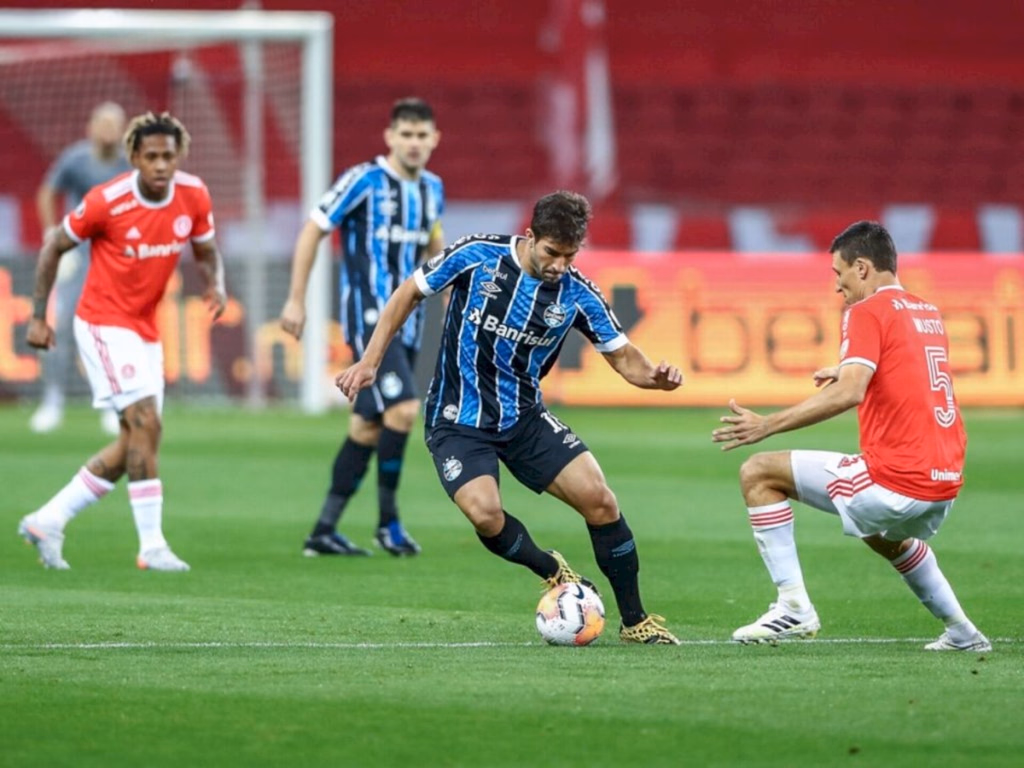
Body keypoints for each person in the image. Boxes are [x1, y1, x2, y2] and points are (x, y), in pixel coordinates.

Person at [338, 190, 683, 644]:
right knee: (484, 515)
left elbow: (625, 359)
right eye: (552, 252)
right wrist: (370, 361)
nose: (560, 264)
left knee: (601, 500)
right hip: (457, 419)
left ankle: (635, 621)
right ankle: (550, 568)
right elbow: (409, 293)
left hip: (525, 419)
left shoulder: (578, 294)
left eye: (570, 254)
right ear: (530, 236)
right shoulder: (476, 256)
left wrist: (655, 377)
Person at [711, 220, 990, 652]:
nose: (837, 287)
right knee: (881, 535)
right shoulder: (927, 312)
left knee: (758, 472)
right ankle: (963, 634)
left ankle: (793, 608)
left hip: (896, 478)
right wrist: (844, 368)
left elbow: (850, 393)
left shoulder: (864, 311)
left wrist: (766, 425)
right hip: (945, 480)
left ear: (862, 268)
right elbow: (906, 372)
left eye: (839, 274)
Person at [19, 111, 227, 572]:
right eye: (150, 156)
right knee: (146, 423)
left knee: (139, 438)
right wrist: (38, 316)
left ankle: (48, 519)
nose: (159, 165)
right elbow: (54, 245)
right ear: (133, 157)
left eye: (167, 156)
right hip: (101, 323)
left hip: (144, 328)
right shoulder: (106, 201)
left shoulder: (193, 194)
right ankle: (151, 547)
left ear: (179, 158)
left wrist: (216, 284)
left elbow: (206, 249)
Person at [280, 97, 444, 558]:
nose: (413, 143)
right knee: (405, 409)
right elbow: (313, 228)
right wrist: (296, 297)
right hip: (368, 315)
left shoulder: (432, 189)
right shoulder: (364, 181)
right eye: (405, 134)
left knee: (367, 426)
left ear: (435, 139)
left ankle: (323, 531)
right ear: (390, 137)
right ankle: (389, 524)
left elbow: (434, 241)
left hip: (409, 321)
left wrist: (450, 288)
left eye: (421, 135)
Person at [30, 101, 131, 436]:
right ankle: (53, 399)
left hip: (115, 258)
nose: (107, 130)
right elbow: (48, 192)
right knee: (67, 323)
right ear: (90, 127)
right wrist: (51, 233)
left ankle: (111, 402)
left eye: (113, 124)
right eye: (102, 123)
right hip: (78, 254)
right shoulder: (75, 159)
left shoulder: (128, 164)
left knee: (112, 331)